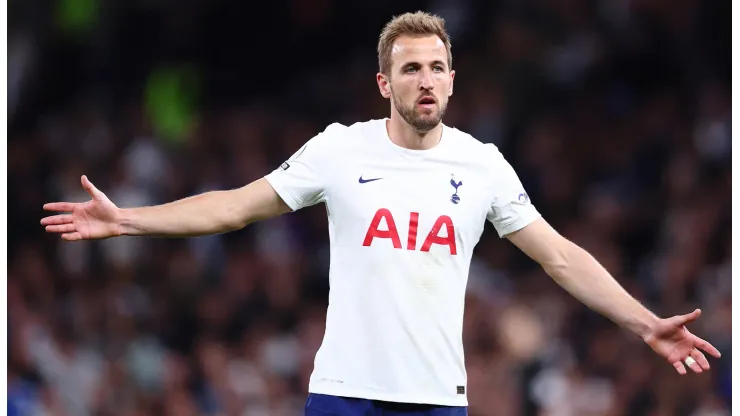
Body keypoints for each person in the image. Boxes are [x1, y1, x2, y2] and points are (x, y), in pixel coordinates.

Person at [41, 11, 721, 416]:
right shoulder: (340, 150)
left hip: (436, 398)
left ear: (453, 78)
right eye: (411, 69)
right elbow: (234, 208)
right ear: (384, 82)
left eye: (437, 67)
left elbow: (559, 256)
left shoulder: (482, 164)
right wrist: (128, 219)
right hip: (345, 393)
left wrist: (644, 324)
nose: (426, 80)